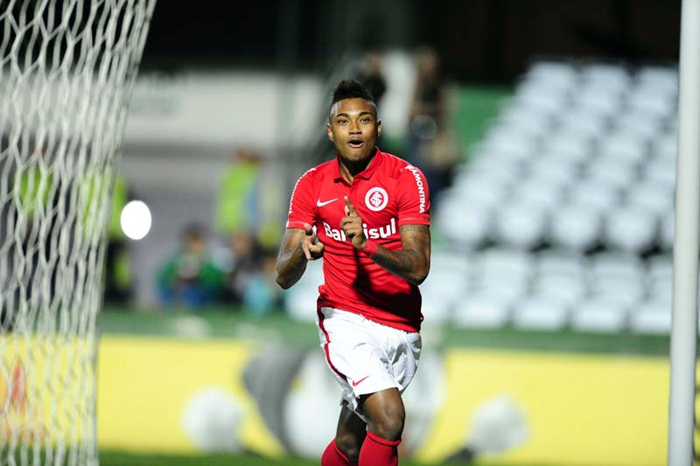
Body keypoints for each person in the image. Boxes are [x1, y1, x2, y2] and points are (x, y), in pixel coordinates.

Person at [275, 79, 431, 466]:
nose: (355, 128)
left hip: (402, 326)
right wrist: (302, 255)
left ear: (378, 128)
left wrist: (369, 246)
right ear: (331, 131)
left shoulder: (405, 178)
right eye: (344, 121)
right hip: (345, 318)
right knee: (390, 417)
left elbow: (419, 267)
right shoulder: (311, 185)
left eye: (364, 120)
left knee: (350, 441)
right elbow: (282, 273)